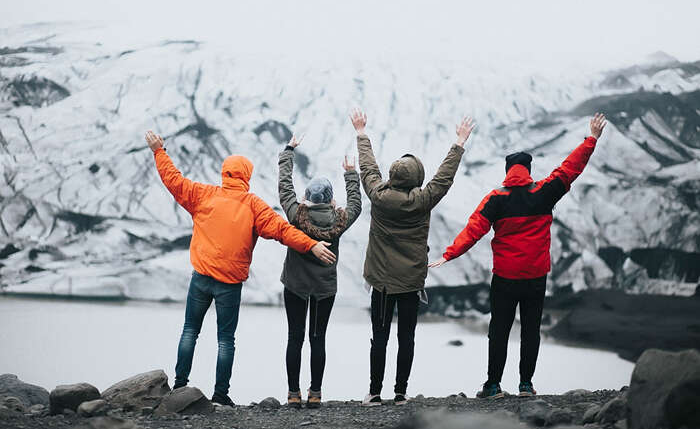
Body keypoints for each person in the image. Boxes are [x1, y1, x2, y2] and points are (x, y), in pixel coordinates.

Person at [144, 131, 336, 407]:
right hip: (229, 285)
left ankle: (179, 387)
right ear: (246, 176)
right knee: (225, 340)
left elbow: (173, 180)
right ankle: (220, 395)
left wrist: (159, 151)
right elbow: (282, 231)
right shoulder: (253, 206)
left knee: (189, 331)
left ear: (225, 173)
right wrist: (311, 246)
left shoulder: (202, 195)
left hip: (200, 278)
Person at [429, 113, 608, 399]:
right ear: (527, 169)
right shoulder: (545, 192)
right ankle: (526, 384)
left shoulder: (495, 198)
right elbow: (570, 169)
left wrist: (449, 255)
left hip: (505, 278)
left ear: (508, 170)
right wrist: (592, 139)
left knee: (498, 330)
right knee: (531, 331)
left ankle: (492, 385)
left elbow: (473, 230)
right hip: (536, 277)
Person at [348, 109, 476, 406]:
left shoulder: (377, 195)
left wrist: (361, 132)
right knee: (407, 337)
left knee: (379, 337)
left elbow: (368, 168)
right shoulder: (423, 200)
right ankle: (401, 392)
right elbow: (443, 179)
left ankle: (374, 392)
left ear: (392, 177)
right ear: (417, 178)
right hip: (410, 283)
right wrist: (458, 143)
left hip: (381, 283)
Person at [277, 135, 363, 408]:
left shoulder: (296, 215)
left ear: (307, 198)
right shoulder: (340, 220)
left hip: (295, 287)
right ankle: (315, 393)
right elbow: (357, 205)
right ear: (329, 199)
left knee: (295, 337)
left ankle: (293, 394)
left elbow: (285, 187)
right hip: (324, 290)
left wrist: (288, 151)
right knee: (318, 339)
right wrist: (351, 175)